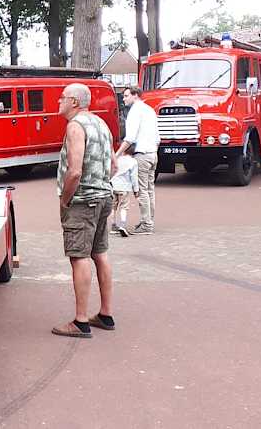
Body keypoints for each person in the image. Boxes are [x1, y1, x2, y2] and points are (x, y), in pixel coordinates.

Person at [52, 83, 116, 339]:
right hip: (103, 197)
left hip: (82, 201)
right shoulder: (102, 125)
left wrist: (66, 199)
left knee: (79, 257)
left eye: (62, 98)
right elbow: (113, 165)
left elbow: (75, 170)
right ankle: (106, 314)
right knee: (100, 254)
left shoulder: (75, 126)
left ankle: (80, 321)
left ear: (74, 102)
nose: (58, 101)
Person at [115, 86, 159, 235]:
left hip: (143, 154)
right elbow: (158, 137)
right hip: (153, 153)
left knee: (141, 190)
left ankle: (147, 224)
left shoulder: (135, 112)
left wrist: (117, 155)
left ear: (135, 95)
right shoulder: (150, 110)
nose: (124, 98)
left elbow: (130, 138)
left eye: (126, 96)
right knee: (150, 189)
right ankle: (149, 220)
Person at [110, 148, 139, 237]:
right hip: (124, 187)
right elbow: (134, 177)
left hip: (113, 185)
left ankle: (113, 225)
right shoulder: (133, 161)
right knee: (124, 206)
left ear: (123, 150)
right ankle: (122, 225)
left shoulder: (117, 158)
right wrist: (136, 190)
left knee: (113, 207)